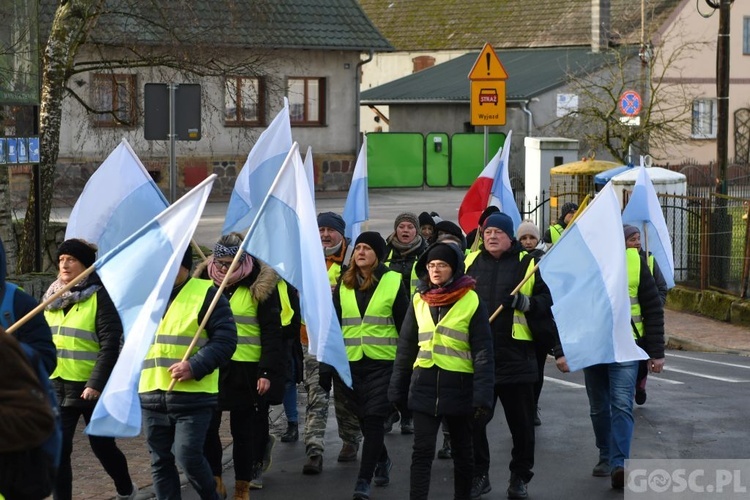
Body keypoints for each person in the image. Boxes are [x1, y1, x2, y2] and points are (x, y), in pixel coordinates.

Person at [554, 230, 665, 490]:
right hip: (592, 348)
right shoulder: (581, 265)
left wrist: (657, 352)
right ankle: (605, 454)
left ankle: (620, 464)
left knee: (622, 404)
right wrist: (562, 349)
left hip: (626, 347)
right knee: (599, 407)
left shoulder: (635, 261)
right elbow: (564, 308)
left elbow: (652, 308)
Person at [389, 242, 494, 500]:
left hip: (460, 388)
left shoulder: (471, 299)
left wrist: (482, 396)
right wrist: (396, 388)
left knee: (462, 453)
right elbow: (406, 348)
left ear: (454, 268)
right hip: (423, 386)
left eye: (442, 265)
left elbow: (483, 351)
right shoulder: (419, 299)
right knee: (422, 453)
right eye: (431, 265)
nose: (435, 270)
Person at [464, 213, 555, 500]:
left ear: (509, 237)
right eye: (487, 232)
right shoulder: (469, 263)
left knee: (522, 426)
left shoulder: (528, 264)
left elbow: (546, 301)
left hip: (517, 359)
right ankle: (480, 473)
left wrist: (523, 302)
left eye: (498, 232)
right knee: (473, 422)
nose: (491, 236)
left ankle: (519, 477)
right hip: (478, 359)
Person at [139, 246, 237, 500]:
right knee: (160, 461)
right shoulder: (146, 296)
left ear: (183, 266)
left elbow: (225, 341)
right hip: (151, 394)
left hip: (193, 396)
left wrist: (194, 366)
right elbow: (128, 342)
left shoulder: (207, 293)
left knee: (188, 457)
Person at [43, 239, 137, 500]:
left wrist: (95, 383)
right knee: (59, 449)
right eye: (61, 259)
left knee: (102, 445)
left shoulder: (100, 297)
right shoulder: (50, 298)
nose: (64, 264)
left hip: (89, 387)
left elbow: (110, 343)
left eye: (71, 259)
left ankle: (126, 489)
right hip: (57, 384)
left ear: (85, 265)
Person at [199, 233, 284, 497]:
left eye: (231, 264)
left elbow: (272, 331)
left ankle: (242, 485)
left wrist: (266, 371)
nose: (224, 269)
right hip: (211, 366)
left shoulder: (259, 285)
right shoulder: (203, 282)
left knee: (243, 431)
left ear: (243, 261)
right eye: (220, 263)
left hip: (246, 368)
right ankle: (215, 479)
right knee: (208, 427)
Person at [331, 231, 409, 500]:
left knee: (375, 418)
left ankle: (363, 481)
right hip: (352, 365)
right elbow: (334, 327)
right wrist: (327, 366)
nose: (360, 252)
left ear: (378, 254)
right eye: (358, 248)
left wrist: (408, 366)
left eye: (367, 248)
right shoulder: (344, 282)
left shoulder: (393, 281)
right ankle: (382, 459)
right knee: (364, 419)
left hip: (384, 363)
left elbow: (404, 325)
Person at [302, 212, 362, 474]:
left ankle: (350, 440)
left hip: (346, 341)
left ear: (341, 233)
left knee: (347, 395)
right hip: (313, 341)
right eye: (321, 229)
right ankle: (314, 450)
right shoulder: (306, 260)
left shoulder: (354, 261)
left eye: (331, 230)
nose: (325, 235)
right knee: (317, 395)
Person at [384, 212, 426, 434]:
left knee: (410, 370)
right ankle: (390, 411)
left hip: (418, 320)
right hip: (388, 321)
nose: (406, 231)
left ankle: (408, 415)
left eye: (410, 226)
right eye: (402, 227)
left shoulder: (426, 253)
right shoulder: (385, 252)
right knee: (391, 370)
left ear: (416, 230)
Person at [623, 225, 669, 406]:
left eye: (638, 239)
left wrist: (655, 303)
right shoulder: (617, 262)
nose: (637, 243)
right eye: (632, 239)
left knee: (643, 365)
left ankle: (640, 385)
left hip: (645, 324)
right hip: (628, 330)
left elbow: (661, 287)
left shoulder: (648, 259)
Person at [516, 220, 549, 426]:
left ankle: (533, 405)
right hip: (518, 327)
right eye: (524, 238)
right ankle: (524, 408)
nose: (528, 242)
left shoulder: (546, 260)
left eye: (532, 238)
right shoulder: (515, 260)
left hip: (538, 326)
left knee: (537, 371)